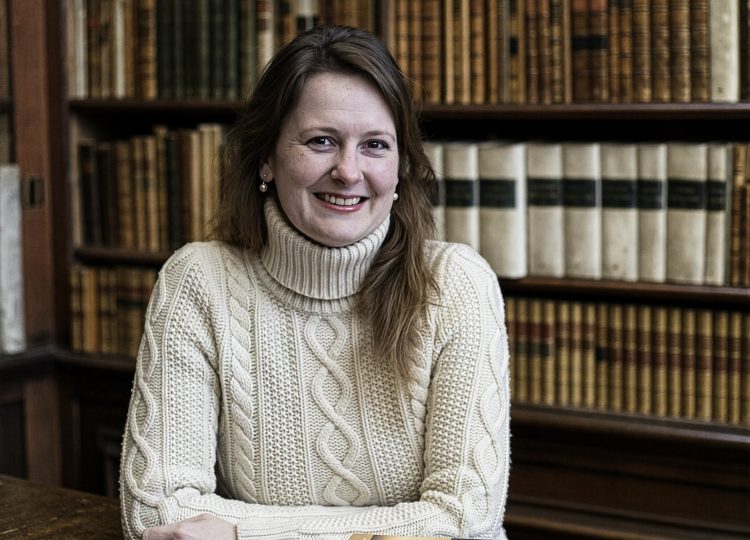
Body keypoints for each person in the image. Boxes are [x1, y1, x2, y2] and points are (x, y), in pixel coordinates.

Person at [119, 25, 510, 540]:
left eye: (375, 145)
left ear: (400, 168)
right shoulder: (199, 281)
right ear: (266, 157)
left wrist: (241, 535)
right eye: (321, 141)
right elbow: (157, 513)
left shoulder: (456, 285)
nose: (348, 171)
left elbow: (466, 517)